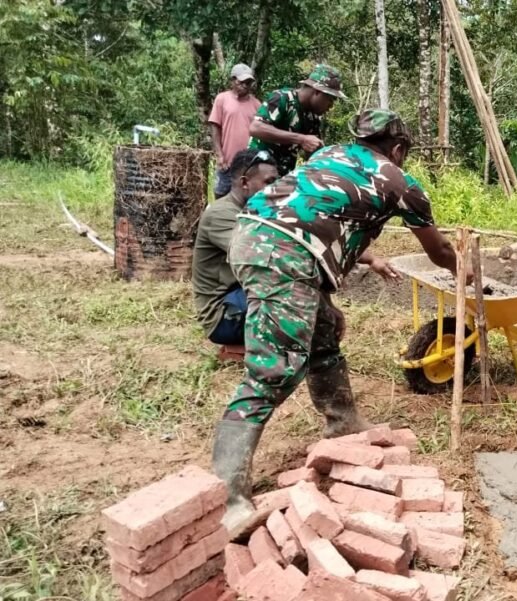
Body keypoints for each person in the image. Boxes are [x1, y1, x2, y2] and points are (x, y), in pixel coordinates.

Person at [213, 109, 468, 533]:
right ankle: (227, 496)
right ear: (399, 148)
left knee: (325, 328)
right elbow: (439, 252)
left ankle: (343, 423)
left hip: (255, 237)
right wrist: (466, 270)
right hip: (280, 254)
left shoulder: (330, 153)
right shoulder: (400, 181)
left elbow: (317, 217)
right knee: (273, 371)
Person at [192, 149, 278, 347]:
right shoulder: (221, 214)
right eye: (269, 182)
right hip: (224, 317)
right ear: (244, 182)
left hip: (240, 297)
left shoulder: (253, 211)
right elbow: (265, 257)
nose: (275, 190)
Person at [248, 63, 346, 176]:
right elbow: (255, 128)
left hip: (281, 177)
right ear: (318, 91)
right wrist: (301, 139)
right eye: (330, 99)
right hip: (256, 173)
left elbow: (309, 153)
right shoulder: (282, 98)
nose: (331, 106)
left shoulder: (313, 117)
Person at [209, 64, 261, 197]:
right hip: (227, 162)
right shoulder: (222, 99)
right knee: (221, 197)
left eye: (248, 82)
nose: (245, 85)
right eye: (241, 81)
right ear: (232, 80)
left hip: (248, 165)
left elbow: (261, 134)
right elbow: (215, 127)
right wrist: (219, 155)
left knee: (246, 200)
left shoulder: (257, 105)